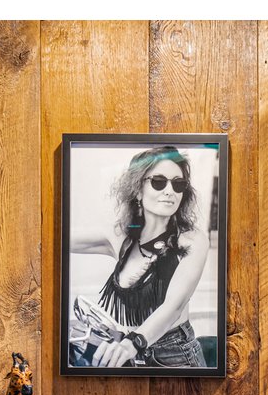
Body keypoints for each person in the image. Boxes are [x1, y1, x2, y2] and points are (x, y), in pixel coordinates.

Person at [69, 145, 210, 368]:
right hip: (131, 351)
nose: (170, 191)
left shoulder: (192, 240)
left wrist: (132, 343)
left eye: (178, 184)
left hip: (176, 357)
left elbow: (173, 307)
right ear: (137, 189)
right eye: (158, 182)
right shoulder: (121, 237)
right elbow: (55, 238)